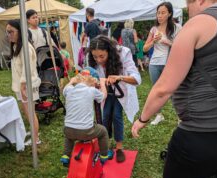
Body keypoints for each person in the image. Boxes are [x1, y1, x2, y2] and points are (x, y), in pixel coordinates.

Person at [132, 1, 217, 178]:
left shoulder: (199, 24)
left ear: (200, 1)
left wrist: (142, 119)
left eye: (189, 4)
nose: (189, 9)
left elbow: (163, 88)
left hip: (200, 132)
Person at [88, 35, 141, 163]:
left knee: (117, 116)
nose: (98, 60)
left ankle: (119, 148)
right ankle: (105, 146)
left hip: (120, 91)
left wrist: (120, 77)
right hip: (104, 91)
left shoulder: (123, 53)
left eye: (102, 56)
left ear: (109, 52)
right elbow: (89, 74)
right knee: (104, 116)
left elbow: (137, 78)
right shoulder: (91, 58)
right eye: (95, 57)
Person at [143, 2, 181, 125]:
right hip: (154, 63)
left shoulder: (176, 28)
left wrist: (168, 42)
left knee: (173, 91)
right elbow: (144, 49)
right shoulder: (154, 29)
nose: (160, 15)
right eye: (158, 13)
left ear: (169, 14)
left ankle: (180, 117)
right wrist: (153, 41)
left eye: (163, 12)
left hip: (169, 63)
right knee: (156, 91)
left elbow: (182, 47)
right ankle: (159, 115)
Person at [60, 74, 109, 166]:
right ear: (92, 82)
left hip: (68, 130)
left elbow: (64, 90)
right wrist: (102, 83)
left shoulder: (69, 89)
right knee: (103, 131)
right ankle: (104, 156)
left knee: (69, 136)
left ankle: (66, 155)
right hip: (86, 131)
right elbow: (103, 96)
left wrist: (71, 81)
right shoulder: (91, 90)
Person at [6, 19, 41, 144]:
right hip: (21, 86)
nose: (9, 34)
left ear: (20, 32)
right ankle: (34, 132)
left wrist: (23, 85)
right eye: (7, 32)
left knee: (30, 113)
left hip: (26, 85)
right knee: (27, 112)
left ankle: (36, 138)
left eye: (11, 32)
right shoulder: (17, 46)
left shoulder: (25, 47)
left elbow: (28, 68)